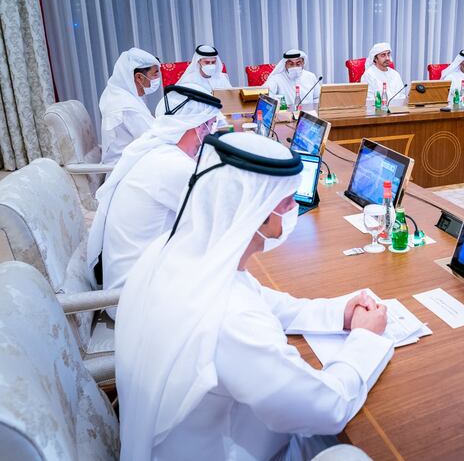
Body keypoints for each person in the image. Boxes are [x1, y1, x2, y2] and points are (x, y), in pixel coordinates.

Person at [115, 133, 394, 460]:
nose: (295, 209)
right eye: (288, 202)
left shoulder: (173, 250)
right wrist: (364, 337)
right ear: (258, 211)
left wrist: (339, 313)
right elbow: (328, 407)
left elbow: (265, 301)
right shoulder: (231, 318)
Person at [86, 84, 222, 318]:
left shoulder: (155, 150)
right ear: (198, 128)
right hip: (138, 303)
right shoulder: (172, 167)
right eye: (211, 125)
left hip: (140, 277)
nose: (211, 133)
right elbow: (220, 218)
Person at [99, 48, 160, 164]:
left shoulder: (116, 92)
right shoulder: (126, 105)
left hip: (133, 161)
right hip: (126, 170)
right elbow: (154, 137)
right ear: (139, 77)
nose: (158, 79)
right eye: (155, 74)